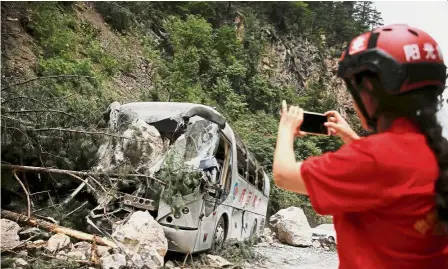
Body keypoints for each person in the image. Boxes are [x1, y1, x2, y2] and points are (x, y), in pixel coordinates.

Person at [273, 24, 448, 269]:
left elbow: (283, 175)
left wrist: (286, 127)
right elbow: (393, 176)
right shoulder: (437, 152)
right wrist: (352, 137)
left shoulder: (373, 158)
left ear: (369, 91)